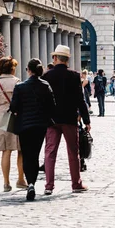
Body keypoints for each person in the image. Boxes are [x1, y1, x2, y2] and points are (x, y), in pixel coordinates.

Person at [42, 45, 91, 195]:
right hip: (69, 119)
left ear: (55, 58)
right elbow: (80, 100)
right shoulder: (75, 76)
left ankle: (49, 186)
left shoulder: (47, 76)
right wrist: (87, 121)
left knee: (50, 152)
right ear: (67, 59)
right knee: (73, 152)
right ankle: (76, 183)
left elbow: (43, 99)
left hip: (52, 120)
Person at [9, 59, 56, 201]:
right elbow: (52, 106)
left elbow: (13, 107)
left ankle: (29, 183)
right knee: (35, 154)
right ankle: (32, 183)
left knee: (26, 154)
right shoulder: (45, 85)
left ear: (29, 70)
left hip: (24, 126)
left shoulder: (20, 87)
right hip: (40, 126)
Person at [0, 56, 26, 192]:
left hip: (2, 116)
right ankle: (21, 179)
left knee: (6, 151)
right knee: (21, 150)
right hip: (17, 115)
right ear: (13, 69)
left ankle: (6, 183)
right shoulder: (18, 82)